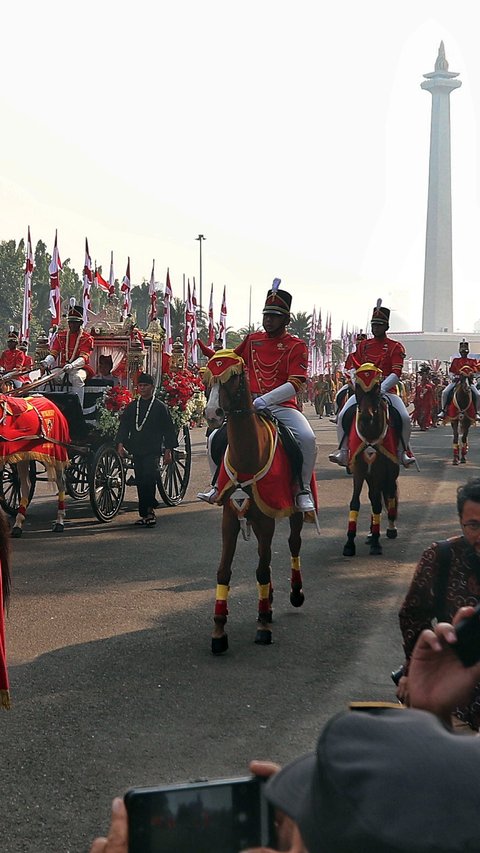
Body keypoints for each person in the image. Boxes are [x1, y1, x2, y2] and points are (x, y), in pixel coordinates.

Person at [197, 281, 317, 512]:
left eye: (275, 316)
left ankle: (303, 489)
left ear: (286, 320)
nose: (268, 320)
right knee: (214, 439)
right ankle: (216, 485)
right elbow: (232, 358)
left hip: (283, 406)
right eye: (266, 315)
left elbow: (296, 383)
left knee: (307, 439)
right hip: (249, 406)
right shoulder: (252, 340)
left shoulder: (296, 345)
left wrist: (265, 400)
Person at [397, 476, 480, 731]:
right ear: (460, 522)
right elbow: (412, 615)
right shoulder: (442, 556)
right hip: (456, 709)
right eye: (474, 526)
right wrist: (417, 667)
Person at [329, 300, 416, 468]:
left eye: (380, 325)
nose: (376, 328)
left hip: (386, 391)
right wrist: (359, 385)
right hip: (363, 392)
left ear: (386, 327)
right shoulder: (363, 346)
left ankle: (402, 452)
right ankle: (343, 451)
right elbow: (354, 368)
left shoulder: (395, 347)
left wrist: (379, 389)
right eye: (374, 325)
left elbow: (396, 373)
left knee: (404, 418)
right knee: (342, 416)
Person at [116, 373, 177, 527]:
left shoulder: (159, 407)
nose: (142, 389)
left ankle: (150, 511)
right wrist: (120, 443)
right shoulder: (132, 407)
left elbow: (168, 430)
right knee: (141, 479)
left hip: (153, 449)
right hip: (137, 449)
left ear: (152, 387)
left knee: (150, 477)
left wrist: (169, 450)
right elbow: (124, 426)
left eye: (145, 386)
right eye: (140, 386)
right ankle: (144, 514)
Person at [40, 301, 94, 406]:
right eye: (70, 322)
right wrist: (46, 362)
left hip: (79, 368)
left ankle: (78, 409)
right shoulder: (61, 336)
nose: (71, 325)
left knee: (77, 378)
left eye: (75, 322)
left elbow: (84, 358)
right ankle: (44, 406)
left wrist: (72, 365)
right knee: (44, 378)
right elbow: (54, 353)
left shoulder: (87, 338)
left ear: (81, 323)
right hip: (63, 367)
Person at [438, 339, 480, 419]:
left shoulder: (472, 361)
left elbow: (476, 371)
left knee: (477, 395)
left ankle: (476, 412)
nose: (463, 353)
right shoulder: (455, 361)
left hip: (468, 381)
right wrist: (454, 377)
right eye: (462, 352)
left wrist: (472, 374)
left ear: (467, 352)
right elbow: (451, 372)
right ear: (460, 352)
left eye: (465, 352)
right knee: (445, 392)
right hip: (457, 380)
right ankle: (443, 411)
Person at [411, 364, 434, 430]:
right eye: (422, 374)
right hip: (419, 401)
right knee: (419, 413)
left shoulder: (430, 385)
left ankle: (424, 425)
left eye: (424, 374)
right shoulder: (418, 384)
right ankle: (421, 424)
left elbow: (431, 393)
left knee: (426, 413)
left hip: (426, 401)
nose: (423, 376)